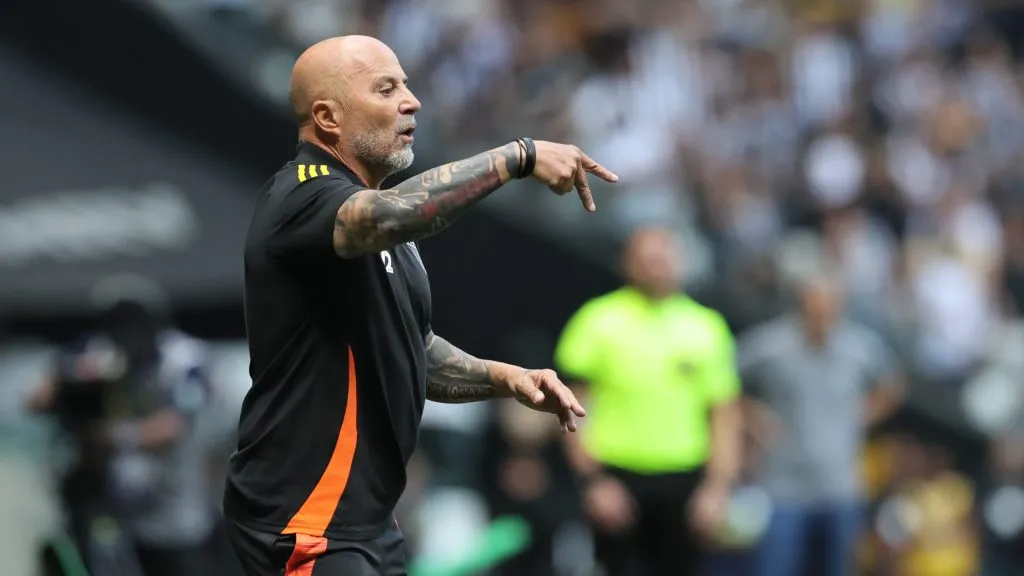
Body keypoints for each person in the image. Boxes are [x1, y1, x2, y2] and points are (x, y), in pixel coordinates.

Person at [222, 35, 618, 576]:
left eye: (406, 85)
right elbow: (389, 215)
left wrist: (505, 378)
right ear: (328, 118)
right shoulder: (301, 193)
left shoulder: (387, 235)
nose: (412, 101)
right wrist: (518, 155)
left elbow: (415, 350)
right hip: (306, 517)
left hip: (368, 523)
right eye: (386, 89)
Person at [554, 227, 744, 576]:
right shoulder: (597, 321)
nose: (657, 267)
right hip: (616, 478)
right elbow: (569, 408)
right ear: (628, 264)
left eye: (663, 259)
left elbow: (724, 417)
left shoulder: (707, 327)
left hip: (685, 481)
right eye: (647, 260)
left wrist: (717, 489)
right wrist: (592, 481)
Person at [738, 273, 905, 576]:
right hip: (783, 487)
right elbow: (725, 381)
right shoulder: (771, 344)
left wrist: (865, 413)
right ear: (799, 308)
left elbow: (892, 384)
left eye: (829, 311)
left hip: (840, 486)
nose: (822, 320)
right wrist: (753, 416)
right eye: (814, 311)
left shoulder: (859, 346)